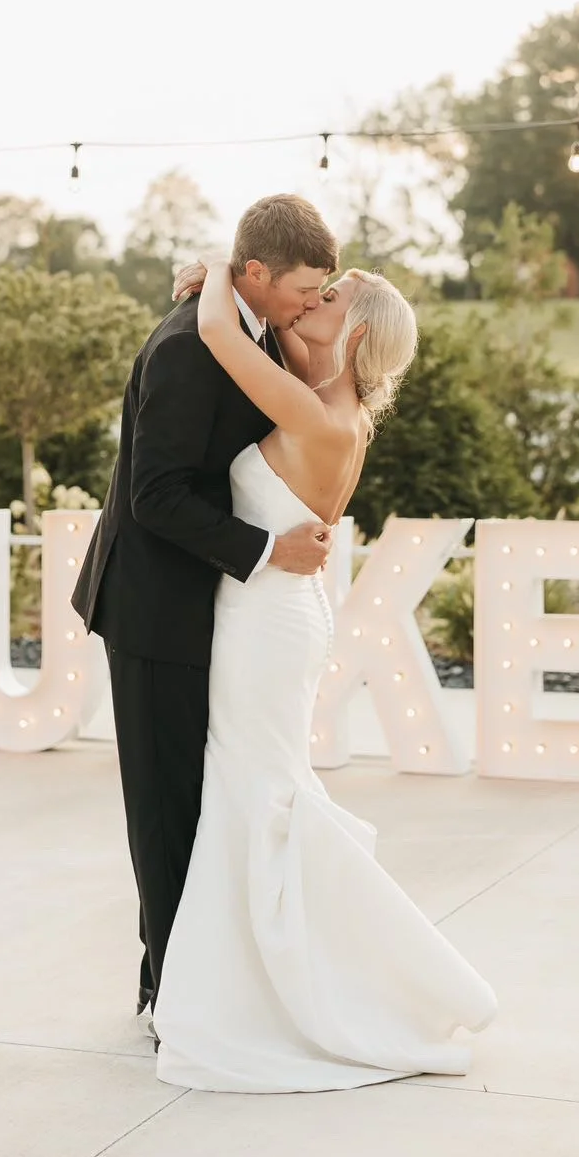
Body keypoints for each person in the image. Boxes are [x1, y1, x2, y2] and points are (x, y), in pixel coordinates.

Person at [151, 254, 497, 1092]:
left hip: (265, 622)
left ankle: (280, 994)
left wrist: (219, 269)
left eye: (329, 296)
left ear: (358, 331)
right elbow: (268, 340)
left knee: (257, 792)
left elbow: (217, 330)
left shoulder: (317, 416)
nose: (311, 299)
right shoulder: (333, 407)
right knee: (257, 788)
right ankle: (258, 980)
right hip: (278, 610)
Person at [70, 194, 340, 1034]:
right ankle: (171, 996)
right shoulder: (191, 345)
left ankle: (179, 976)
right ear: (255, 272)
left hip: (204, 606)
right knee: (164, 808)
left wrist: (215, 274)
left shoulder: (246, 325)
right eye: (302, 287)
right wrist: (266, 550)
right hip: (153, 608)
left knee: (195, 802)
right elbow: (154, 495)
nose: (310, 302)